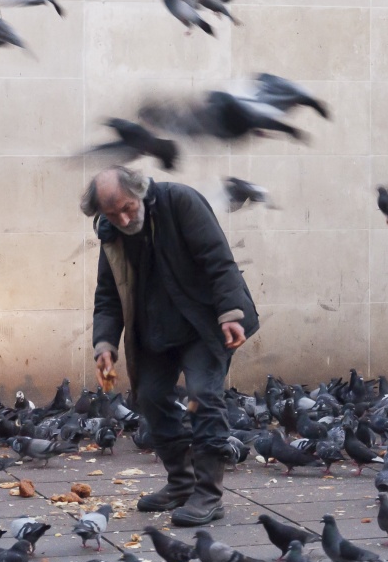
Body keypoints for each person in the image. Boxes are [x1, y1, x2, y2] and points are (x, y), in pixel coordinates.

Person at [81, 166, 259, 526]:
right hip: (156, 327)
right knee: (149, 395)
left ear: (141, 190)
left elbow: (219, 260)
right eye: (113, 214)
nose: (124, 218)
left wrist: (230, 313)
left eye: (128, 207)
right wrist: (104, 343)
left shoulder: (181, 202)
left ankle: (208, 496)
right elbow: (107, 294)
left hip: (206, 322)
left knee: (203, 395)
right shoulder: (112, 233)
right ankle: (181, 483)